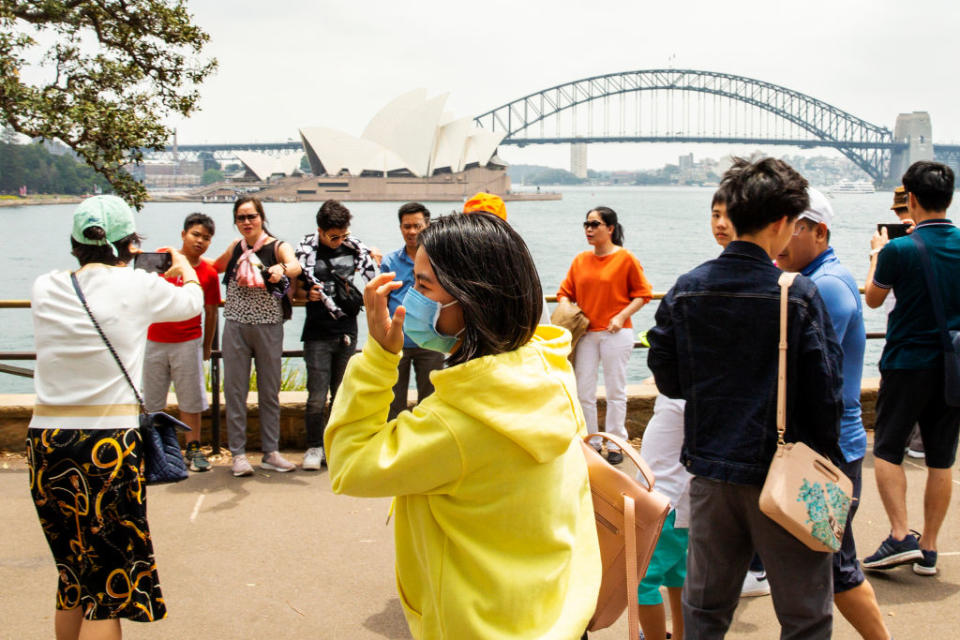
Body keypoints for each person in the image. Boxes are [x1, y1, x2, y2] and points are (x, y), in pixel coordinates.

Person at [324, 213, 601, 639]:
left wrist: (378, 358)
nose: (409, 298)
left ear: (472, 298)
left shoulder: (457, 423)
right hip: (559, 615)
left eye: (423, 286)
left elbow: (349, 463)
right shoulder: (548, 371)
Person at [648, 157, 844, 639]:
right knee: (804, 615)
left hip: (710, 474)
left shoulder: (687, 289)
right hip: (781, 475)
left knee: (704, 609)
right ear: (780, 222)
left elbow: (667, 378)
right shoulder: (796, 293)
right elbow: (826, 395)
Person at [28, 195, 203, 639]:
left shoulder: (45, 286)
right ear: (130, 246)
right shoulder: (140, 287)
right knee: (108, 585)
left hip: (46, 444)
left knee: (72, 577)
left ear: (75, 243)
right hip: (106, 447)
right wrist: (180, 262)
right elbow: (192, 303)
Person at [777, 189, 890, 640]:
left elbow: (802, 372)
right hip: (827, 448)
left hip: (828, 454)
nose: (780, 238)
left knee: (838, 565)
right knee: (824, 562)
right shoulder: (813, 277)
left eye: (792, 228)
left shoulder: (825, 287)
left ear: (819, 232)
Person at [637, 188, 737, 640]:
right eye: (713, 214)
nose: (718, 222)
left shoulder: (696, 286)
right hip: (680, 496)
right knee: (678, 575)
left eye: (728, 216)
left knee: (644, 579)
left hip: (667, 498)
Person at [862, 160, 960, 577]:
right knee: (941, 458)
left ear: (913, 200)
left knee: (887, 447)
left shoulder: (899, 250)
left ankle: (901, 536)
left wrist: (875, 255)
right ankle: (931, 549)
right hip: (953, 365)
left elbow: (872, 299)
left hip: (906, 362)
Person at [211, 196, 302, 477]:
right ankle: (238, 454)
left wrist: (281, 269)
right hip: (236, 325)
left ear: (261, 217)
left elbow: (295, 266)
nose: (247, 222)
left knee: (269, 392)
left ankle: (271, 452)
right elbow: (213, 267)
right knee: (235, 392)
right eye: (241, 217)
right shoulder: (235, 248)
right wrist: (180, 258)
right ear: (236, 222)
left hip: (268, 326)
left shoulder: (277, 247)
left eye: (251, 216)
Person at [557, 206, 653, 465]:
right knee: (583, 390)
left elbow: (643, 293)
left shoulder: (626, 259)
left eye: (594, 224)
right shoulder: (580, 260)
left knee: (615, 391)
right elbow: (564, 291)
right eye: (586, 224)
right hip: (587, 333)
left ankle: (615, 443)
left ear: (610, 228)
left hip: (616, 333)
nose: (588, 229)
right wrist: (571, 309)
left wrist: (621, 316)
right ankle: (591, 441)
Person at [293, 199, 378, 469]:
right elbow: (293, 293)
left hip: (346, 329)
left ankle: (334, 446)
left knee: (340, 394)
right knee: (316, 396)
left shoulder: (356, 250)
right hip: (317, 330)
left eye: (343, 235)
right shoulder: (305, 253)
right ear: (320, 231)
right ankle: (314, 446)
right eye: (333, 236)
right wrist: (309, 294)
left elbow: (374, 279)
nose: (338, 240)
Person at [142, 213, 221, 472]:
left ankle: (194, 448)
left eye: (206, 238)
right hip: (154, 339)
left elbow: (211, 311)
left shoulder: (208, 273)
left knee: (191, 399)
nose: (200, 241)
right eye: (195, 235)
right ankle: (153, 450)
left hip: (188, 341)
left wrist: (207, 345)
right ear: (183, 234)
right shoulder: (163, 257)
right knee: (152, 400)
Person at [381, 202, 445, 420]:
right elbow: (382, 300)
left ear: (427, 225)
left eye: (417, 226)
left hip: (432, 339)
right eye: (406, 226)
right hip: (398, 343)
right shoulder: (390, 262)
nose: (411, 231)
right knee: (393, 402)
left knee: (431, 401)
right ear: (400, 227)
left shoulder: (439, 260)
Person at [887, 186, 925, 459]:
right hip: (899, 326)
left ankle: (912, 442)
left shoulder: (915, 246)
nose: (901, 218)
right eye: (897, 213)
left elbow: (873, 295)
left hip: (911, 330)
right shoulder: (895, 247)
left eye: (904, 211)